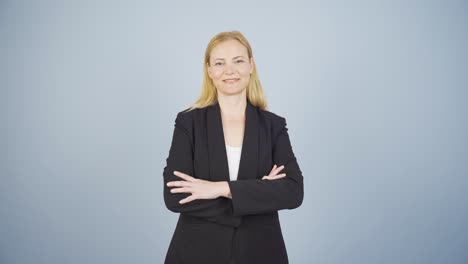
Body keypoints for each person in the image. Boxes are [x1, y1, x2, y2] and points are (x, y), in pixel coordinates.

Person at [162, 30, 304, 264]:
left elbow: (293, 192)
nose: (230, 71)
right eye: (220, 63)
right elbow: (175, 196)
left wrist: (220, 188)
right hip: (196, 253)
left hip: (261, 252)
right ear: (209, 70)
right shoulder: (189, 123)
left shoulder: (273, 125)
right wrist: (258, 194)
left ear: (251, 65)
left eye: (238, 61)